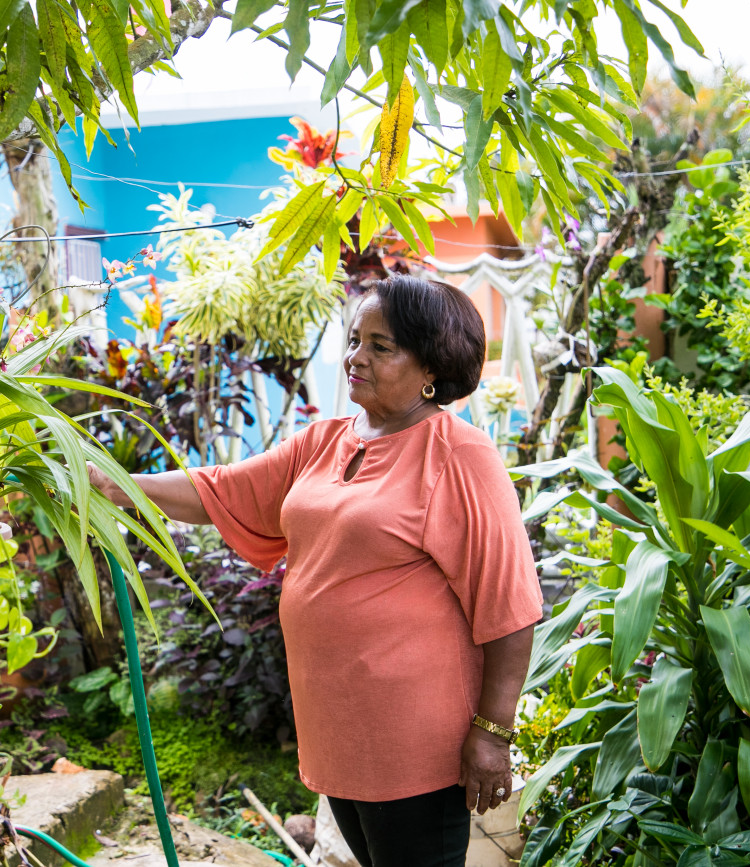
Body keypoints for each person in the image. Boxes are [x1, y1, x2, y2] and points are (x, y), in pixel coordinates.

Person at [87, 275, 542, 867]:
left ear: (431, 365)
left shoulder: (460, 455)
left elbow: (510, 607)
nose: (356, 357)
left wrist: (492, 733)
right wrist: (115, 484)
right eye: (354, 340)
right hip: (338, 729)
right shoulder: (323, 442)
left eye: (380, 346)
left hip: (412, 740)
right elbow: (221, 489)